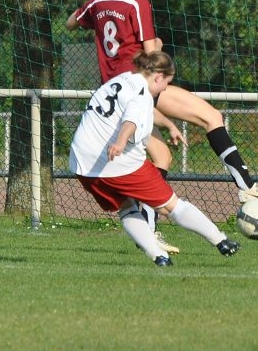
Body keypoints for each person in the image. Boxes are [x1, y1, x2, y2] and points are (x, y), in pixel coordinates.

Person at [66, 0, 258, 207]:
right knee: (212, 117)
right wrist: (157, 44)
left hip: (114, 92)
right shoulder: (138, 4)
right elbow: (152, 56)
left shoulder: (96, 4)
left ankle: (146, 227)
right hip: (140, 85)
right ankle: (247, 187)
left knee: (162, 158)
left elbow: (70, 23)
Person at [69, 50, 240, 266]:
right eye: (166, 82)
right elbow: (131, 119)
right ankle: (221, 240)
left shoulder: (122, 80)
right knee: (171, 206)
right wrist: (121, 141)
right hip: (117, 162)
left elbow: (141, 110)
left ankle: (159, 256)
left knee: (126, 207)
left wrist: (169, 125)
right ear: (158, 76)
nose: (166, 88)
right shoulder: (141, 94)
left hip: (81, 162)